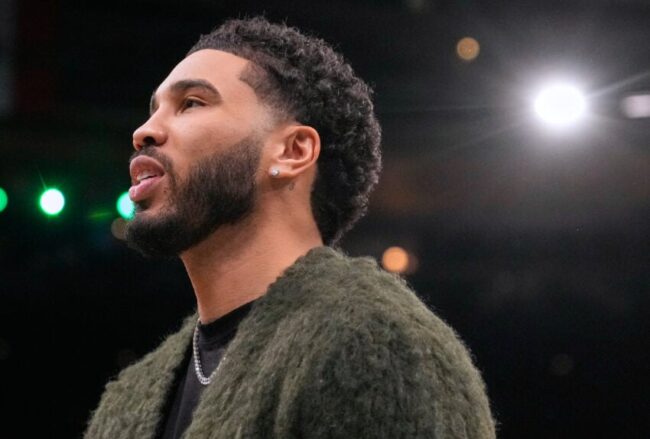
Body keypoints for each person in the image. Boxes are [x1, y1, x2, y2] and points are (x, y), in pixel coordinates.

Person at [84, 17, 496, 439]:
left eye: (191, 103)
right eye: (153, 110)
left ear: (293, 151)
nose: (144, 132)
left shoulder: (377, 344)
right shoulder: (129, 397)